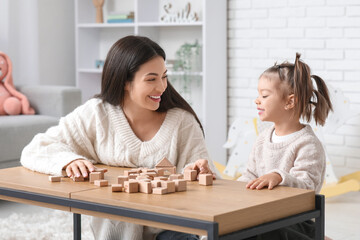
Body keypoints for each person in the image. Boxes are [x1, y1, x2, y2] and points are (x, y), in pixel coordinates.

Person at [21, 35, 216, 240]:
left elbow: (210, 191)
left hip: (171, 230)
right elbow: (36, 149)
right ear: (125, 82)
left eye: (164, 76)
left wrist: (198, 171)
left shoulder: (182, 123)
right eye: (151, 79)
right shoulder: (96, 114)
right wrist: (70, 159)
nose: (162, 87)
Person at [238, 53, 333, 240]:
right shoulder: (263, 138)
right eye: (258, 95)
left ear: (290, 101)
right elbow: (250, 175)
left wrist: (279, 176)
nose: (257, 100)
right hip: (263, 214)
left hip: (293, 221)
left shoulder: (308, 144)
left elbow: (308, 188)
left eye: (264, 95)